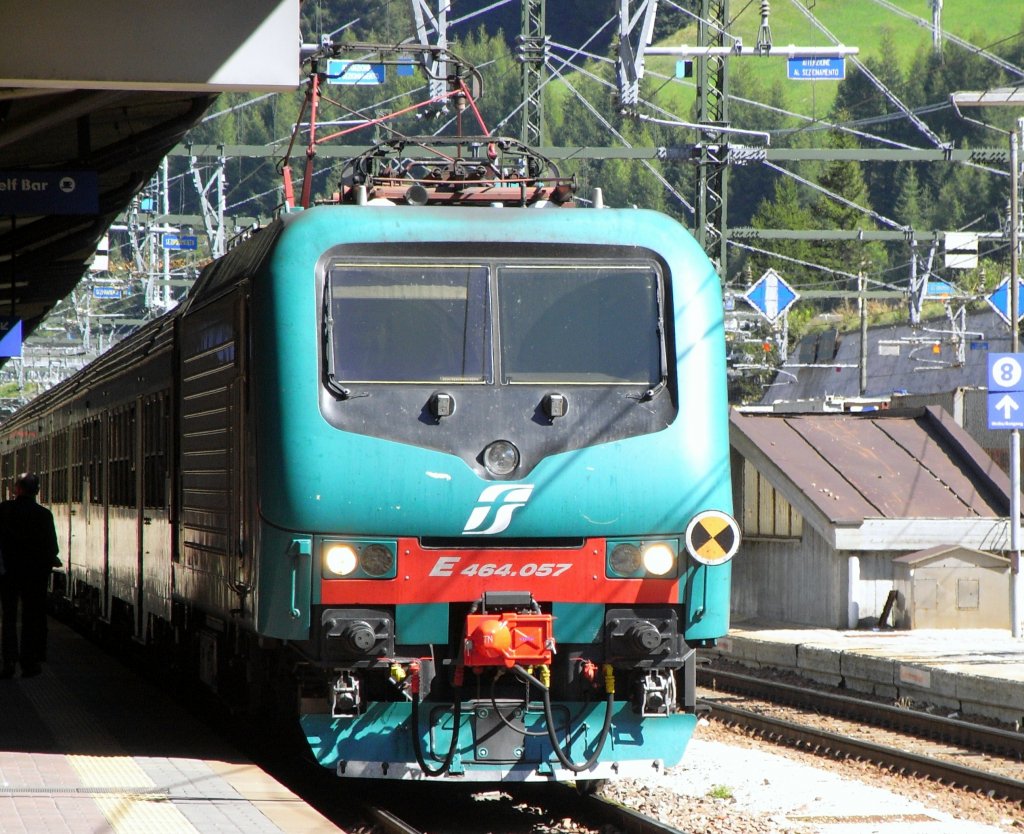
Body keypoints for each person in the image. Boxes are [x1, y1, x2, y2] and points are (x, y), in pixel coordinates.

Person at [0, 473, 59, 678]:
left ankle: (8, 662)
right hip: (34, 575)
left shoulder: (3, 510)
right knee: (31, 617)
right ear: (36, 492)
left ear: (17, 489)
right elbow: (52, 548)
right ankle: (29, 662)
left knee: (8, 618)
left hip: (7, 573)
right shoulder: (43, 515)